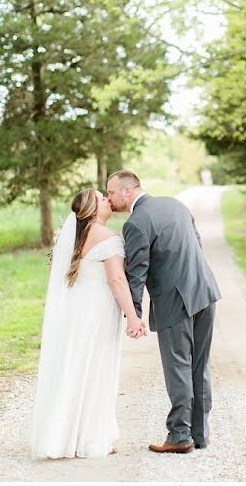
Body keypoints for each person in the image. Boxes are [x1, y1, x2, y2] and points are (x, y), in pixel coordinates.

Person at [106, 170, 222, 454]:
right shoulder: (175, 204)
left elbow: (136, 272)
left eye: (110, 192)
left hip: (175, 301)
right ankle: (200, 434)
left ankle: (180, 435)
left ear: (128, 191)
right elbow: (196, 243)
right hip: (205, 291)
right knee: (199, 365)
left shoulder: (135, 223)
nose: (108, 198)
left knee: (179, 367)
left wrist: (133, 314)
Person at [29, 188, 147, 459]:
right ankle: (92, 438)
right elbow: (116, 280)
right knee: (96, 369)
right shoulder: (107, 238)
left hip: (75, 312)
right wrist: (132, 316)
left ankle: (63, 436)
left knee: (75, 367)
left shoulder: (70, 239)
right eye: (101, 198)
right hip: (97, 313)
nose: (108, 199)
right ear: (93, 210)